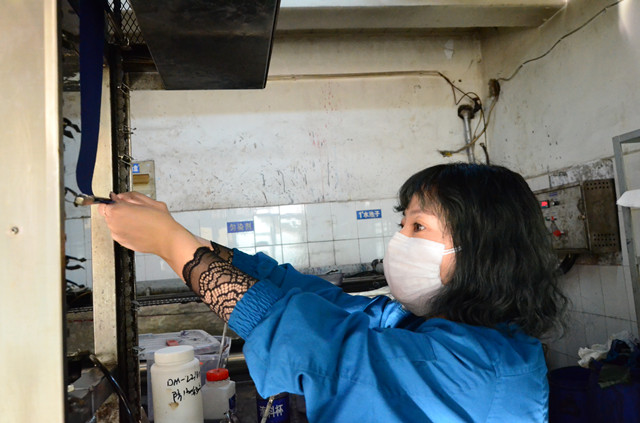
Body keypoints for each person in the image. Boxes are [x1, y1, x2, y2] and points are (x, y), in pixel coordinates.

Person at [99, 162, 567, 422]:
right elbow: (322, 301)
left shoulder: (479, 370)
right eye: (402, 223)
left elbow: (318, 346)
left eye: (418, 226)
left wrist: (170, 245)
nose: (399, 240)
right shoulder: (443, 329)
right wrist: (187, 240)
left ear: (482, 251)